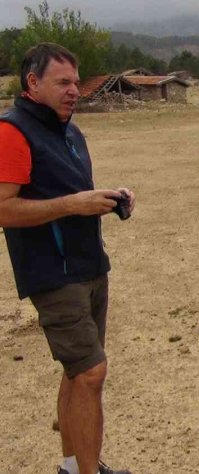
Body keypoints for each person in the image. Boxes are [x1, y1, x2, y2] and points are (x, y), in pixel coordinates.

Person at [0, 43, 134, 474]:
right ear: (32, 83)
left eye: (76, 82)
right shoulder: (12, 131)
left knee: (77, 373)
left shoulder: (70, 131)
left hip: (90, 265)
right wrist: (73, 204)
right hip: (54, 275)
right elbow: (3, 208)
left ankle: (75, 467)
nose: (75, 90)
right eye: (63, 82)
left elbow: (70, 193)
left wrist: (111, 200)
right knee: (92, 373)